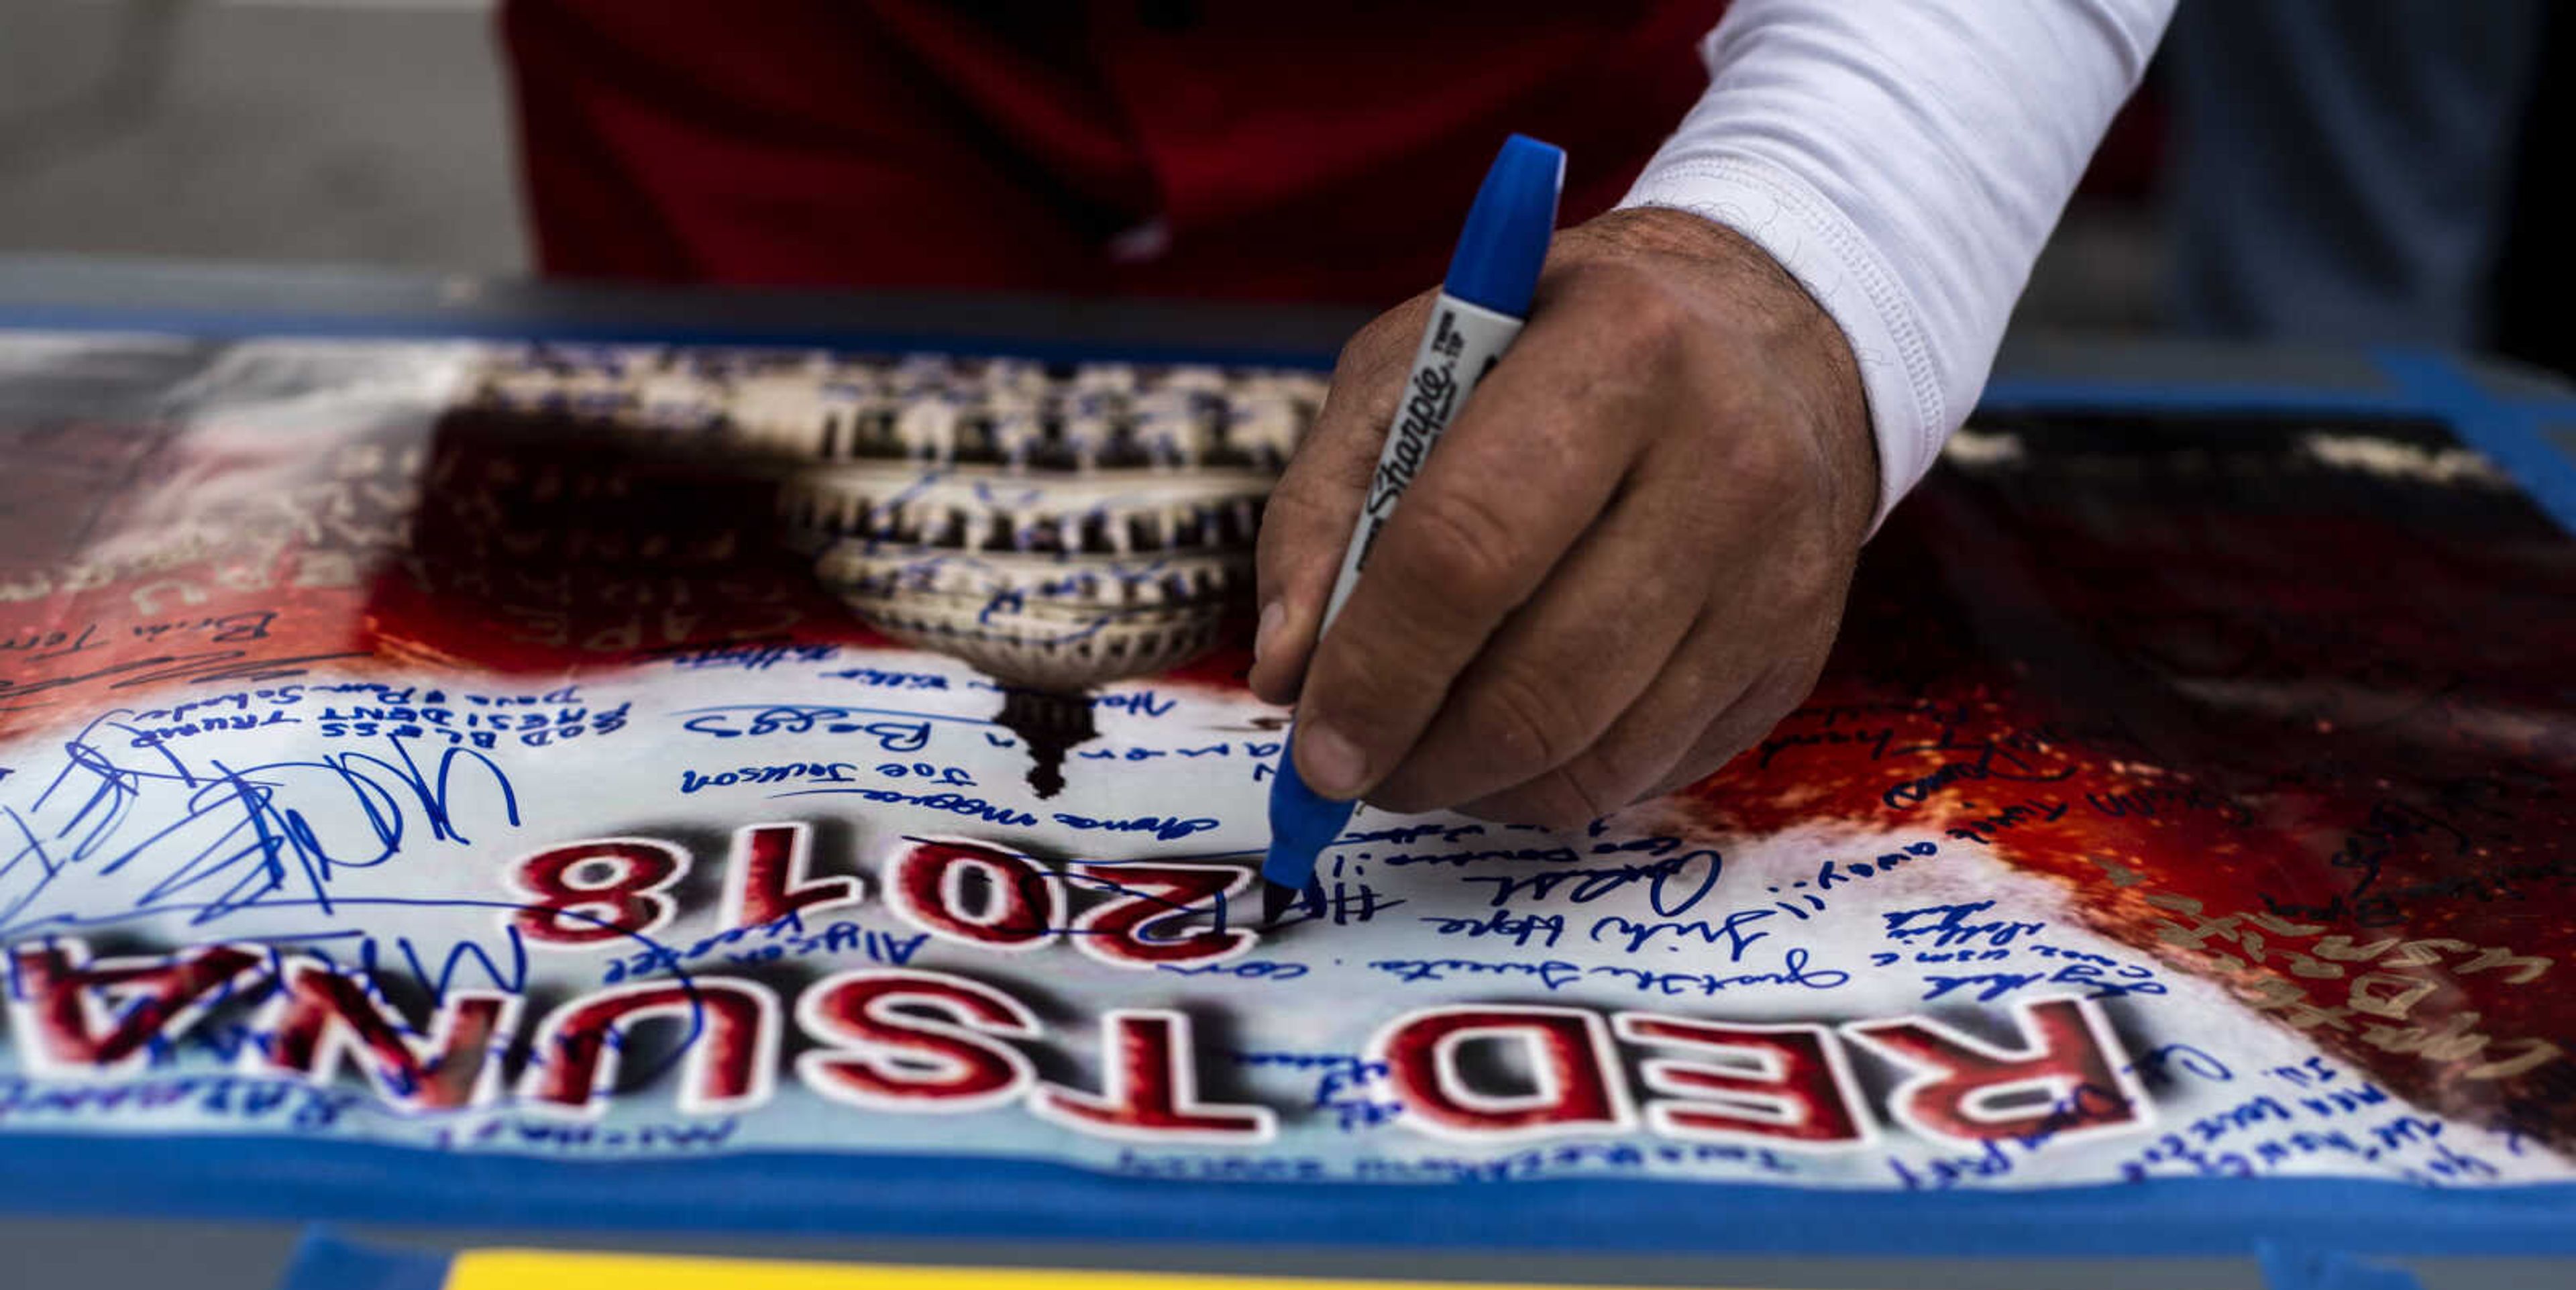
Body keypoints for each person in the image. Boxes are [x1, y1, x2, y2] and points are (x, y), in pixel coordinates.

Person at [504, 0, 2174, 826]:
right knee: (732, 755)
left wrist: (1823, 232)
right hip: (788, 65)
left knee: (1591, 580)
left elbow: (1784, 280)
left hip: (1526, 61)